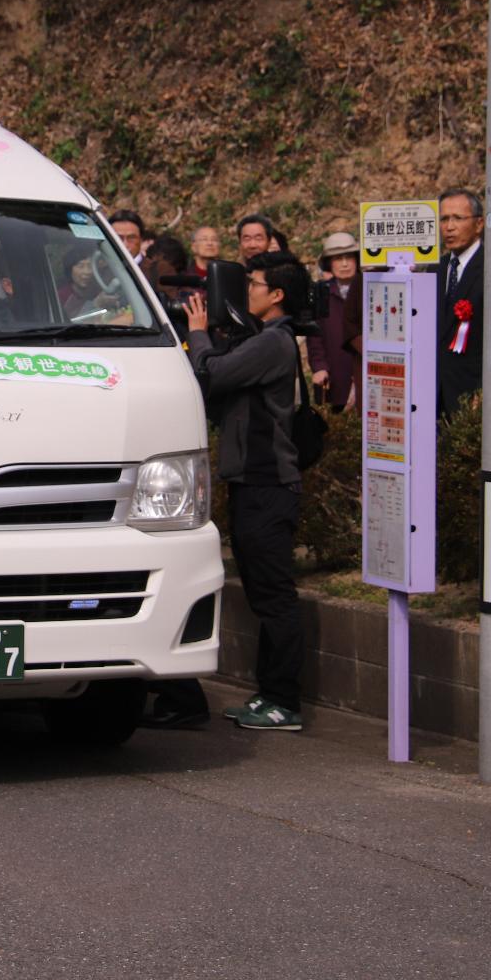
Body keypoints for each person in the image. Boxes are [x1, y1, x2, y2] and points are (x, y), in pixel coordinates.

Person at [144, 250, 313, 733]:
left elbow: (211, 373)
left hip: (267, 486)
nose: (247, 292)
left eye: (255, 283)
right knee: (264, 594)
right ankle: (271, 695)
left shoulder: (275, 343)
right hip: (254, 484)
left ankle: (283, 700)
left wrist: (197, 331)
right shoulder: (264, 340)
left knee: (274, 596)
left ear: (277, 295)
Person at [436, 187, 486, 417]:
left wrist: (486, 391)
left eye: (458, 218)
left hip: (474, 394)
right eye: (444, 219)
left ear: (478, 224)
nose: (449, 227)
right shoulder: (437, 268)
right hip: (436, 395)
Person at [307, 231, 362, 411]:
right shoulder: (321, 293)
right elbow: (315, 337)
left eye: (349, 257)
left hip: (369, 373)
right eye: (338, 258)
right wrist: (319, 367)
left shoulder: (372, 287)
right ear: (329, 263)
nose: (345, 264)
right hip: (336, 373)